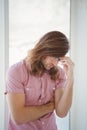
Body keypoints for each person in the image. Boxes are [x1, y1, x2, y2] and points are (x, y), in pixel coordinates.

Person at [5, 31, 74, 130]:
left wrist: (70, 79)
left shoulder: (59, 73)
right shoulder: (16, 72)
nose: (55, 63)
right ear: (43, 49)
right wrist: (50, 107)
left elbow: (62, 112)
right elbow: (18, 117)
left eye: (58, 59)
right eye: (53, 57)